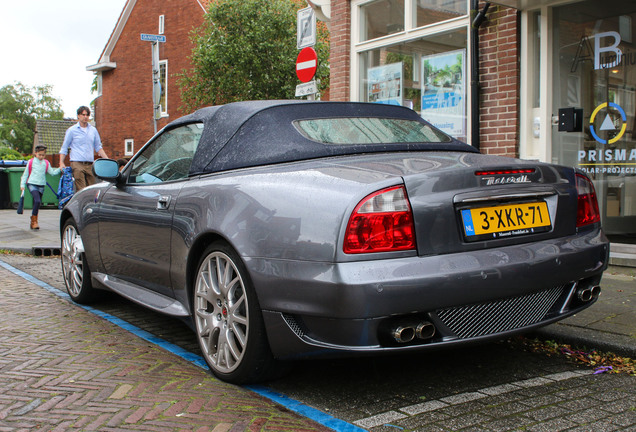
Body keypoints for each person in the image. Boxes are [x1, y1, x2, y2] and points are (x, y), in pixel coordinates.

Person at [59, 106, 108, 191]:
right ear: (78, 116)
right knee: (82, 189)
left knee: (92, 189)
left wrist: (107, 160)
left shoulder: (93, 130)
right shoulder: (72, 130)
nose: (85, 117)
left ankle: (89, 203)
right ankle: (83, 203)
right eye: (83, 115)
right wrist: (61, 162)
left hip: (89, 164)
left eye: (87, 115)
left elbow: (98, 147)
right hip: (77, 163)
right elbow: (64, 147)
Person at [20, 145, 61, 230]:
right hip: (31, 184)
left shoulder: (46, 163)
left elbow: (52, 173)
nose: (41, 157)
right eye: (39, 155)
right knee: (37, 200)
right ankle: (34, 221)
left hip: (41, 185)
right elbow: (26, 174)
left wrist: (60, 169)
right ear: (35, 153)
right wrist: (22, 184)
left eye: (43, 155)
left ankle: (34, 220)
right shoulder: (31, 162)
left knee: (37, 203)